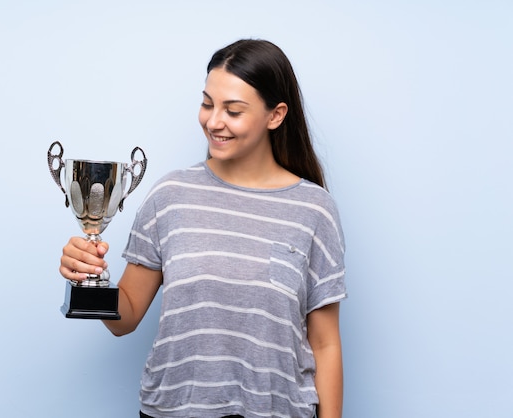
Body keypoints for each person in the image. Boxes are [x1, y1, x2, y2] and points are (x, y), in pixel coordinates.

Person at [59, 39, 347, 418]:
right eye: (207, 104)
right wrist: (87, 277)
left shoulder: (314, 210)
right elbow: (124, 319)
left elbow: (325, 344)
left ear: (275, 115)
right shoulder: (171, 196)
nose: (213, 121)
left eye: (233, 110)